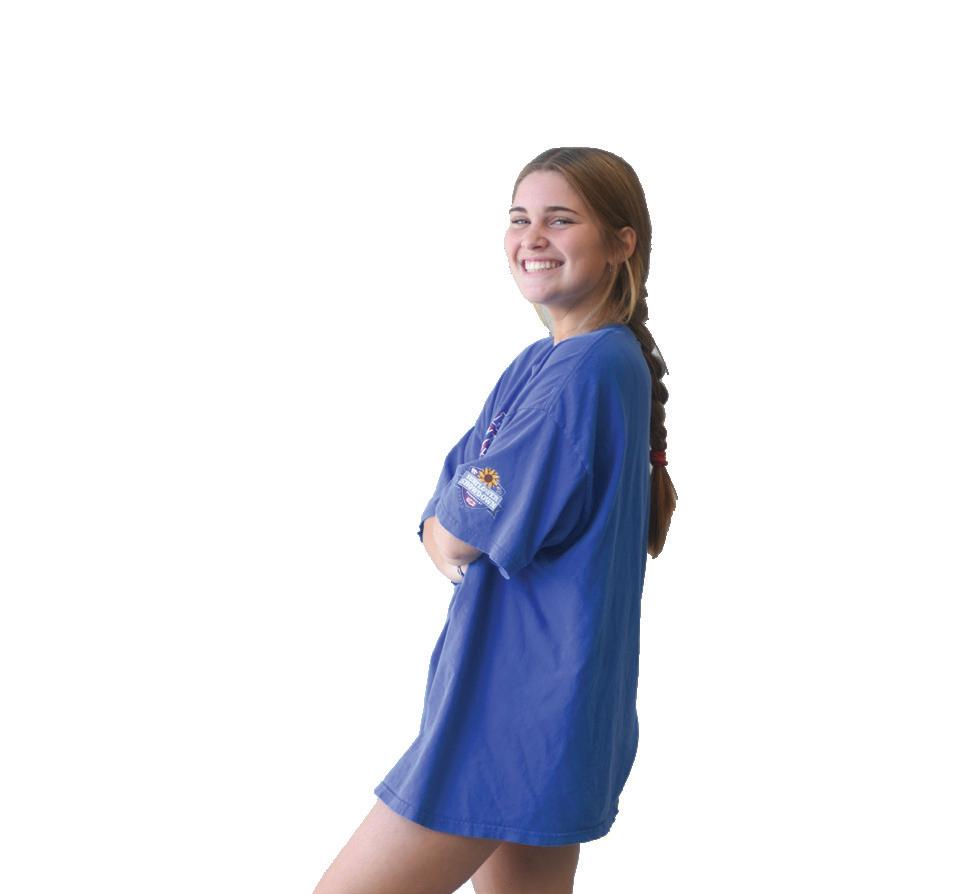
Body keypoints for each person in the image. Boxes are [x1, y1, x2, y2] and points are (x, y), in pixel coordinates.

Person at [312, 147, 678, 894]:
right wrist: (450, 515)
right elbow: (455, 493)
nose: (532, 237)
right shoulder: (544, 364)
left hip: (508, 719)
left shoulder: (587, 372)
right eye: (519, 219)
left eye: (560, 220)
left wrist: (449, 522)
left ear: (621, 243)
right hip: (547, 712)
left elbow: (458, 527)